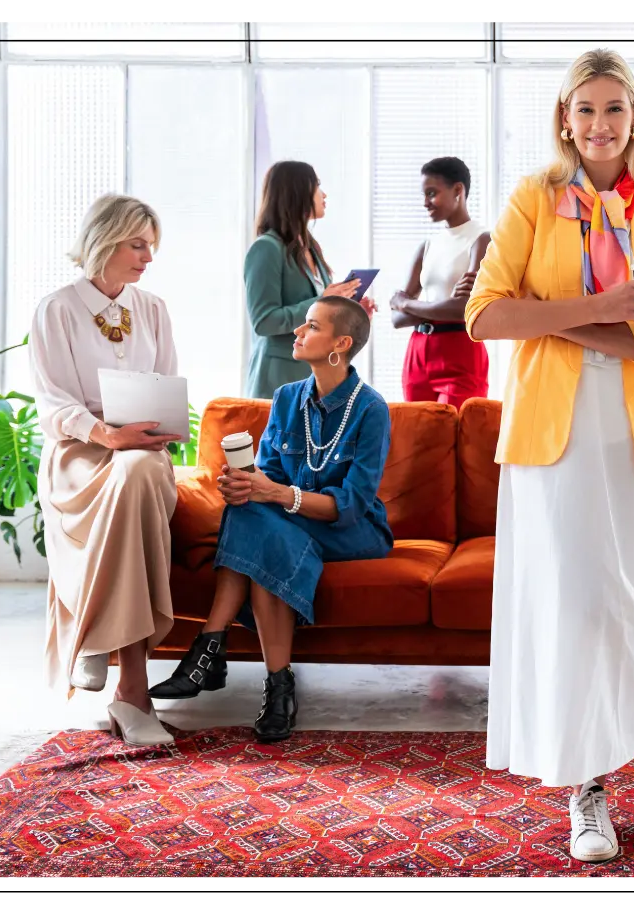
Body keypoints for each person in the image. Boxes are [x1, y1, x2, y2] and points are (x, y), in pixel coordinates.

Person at [465, 50, 634, 863]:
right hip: (551, 436)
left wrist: (551, 314)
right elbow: (487, 316)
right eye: (585, 110)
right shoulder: (533, 199)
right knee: (581, 605)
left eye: (614, 109)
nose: (599, 125)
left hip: (633, 434)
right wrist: (602, 309)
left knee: (629, 602)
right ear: (564, 119)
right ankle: (605, 778)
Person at [149, 297, 392, 743]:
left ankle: (209, 651)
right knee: (251, 514)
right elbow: (270, 476)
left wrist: (274, 493)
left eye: (311, 326)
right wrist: (245, 485)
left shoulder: (370, 409)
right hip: (287, 522)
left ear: (341, 343)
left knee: (258, 522)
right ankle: (276, 687)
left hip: (351, 531)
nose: (297, 332)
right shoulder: (286, 398)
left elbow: (352, 505)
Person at [31, 194, 182, 746]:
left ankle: (99, 638)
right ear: (105, 239)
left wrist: (149, 434)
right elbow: (52, 404)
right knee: (129, 478)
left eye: (151, 246)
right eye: (137, 244)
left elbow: (166, 388)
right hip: (79, 452)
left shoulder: (155, 309)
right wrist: (104, 435)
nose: (147, 257)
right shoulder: (56, 309)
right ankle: (132, 694)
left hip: (141, 450)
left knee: (139, 472)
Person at [245, 160, 377, 399]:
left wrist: (352, 312)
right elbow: (263, 321)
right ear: (298, 192)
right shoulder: (266, 249)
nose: (324, 194)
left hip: (316, 380)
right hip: (279, 380)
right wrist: (322, 301)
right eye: (317, 186)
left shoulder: (310, 248)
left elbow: (321, 318)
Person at [389, 157, 491, 409]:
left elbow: (465, 309)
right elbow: (396, 319)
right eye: (424, 195)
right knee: (419, 436)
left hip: (460, 351)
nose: (425, 203)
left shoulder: (482, 239)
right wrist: (443, 306)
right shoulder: (427, 246)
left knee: (459, 436)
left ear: (458, 190)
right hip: (417, 354)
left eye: (432, 194)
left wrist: (406, 303)